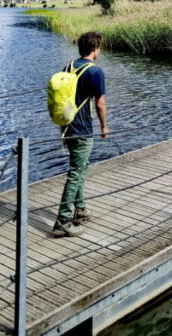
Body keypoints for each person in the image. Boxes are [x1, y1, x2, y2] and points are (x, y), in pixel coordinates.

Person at [53, 31, 108, 238]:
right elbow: (100, 104)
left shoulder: (69, 66)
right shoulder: (95, 72)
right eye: (99, 47)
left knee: (80, 168)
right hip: (83, 129)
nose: (100, 51)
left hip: (66, 126)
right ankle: (63, 221)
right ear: (95, 48)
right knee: (76, 173)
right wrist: (104, 127)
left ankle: (80, 209)